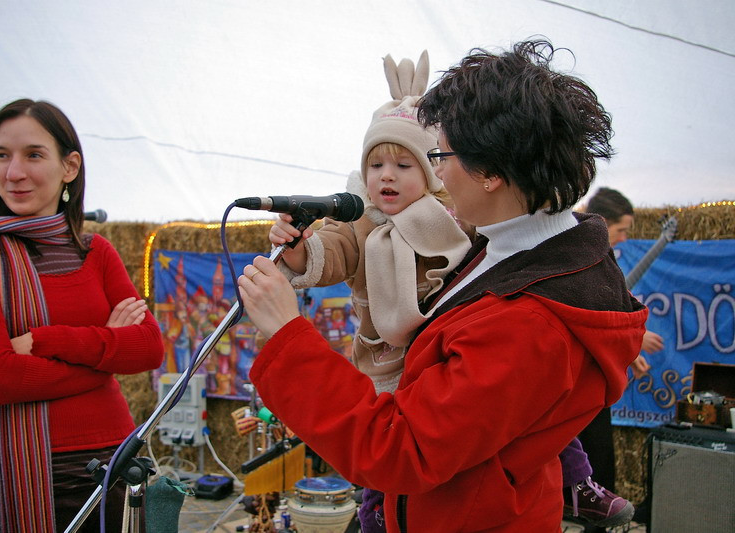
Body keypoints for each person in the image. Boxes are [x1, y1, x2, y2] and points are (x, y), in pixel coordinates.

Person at [238, 39, 648, 532]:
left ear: (491, 171)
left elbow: (402, 449)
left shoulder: (529, 321)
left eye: (441, 155)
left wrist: (288, 336)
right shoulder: (508, 253)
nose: (438, 173)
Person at [0, 99, 164, 532]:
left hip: (112, 466)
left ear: (70, 166)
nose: (14, 172)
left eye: (33, 155)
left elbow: (150, 349)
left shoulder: (96, 250)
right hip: (16, 470)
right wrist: (104, 353)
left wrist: (46, 341)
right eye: (2, 155)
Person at [267, 51, 471, 532]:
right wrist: (299, 249)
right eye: (375, 163)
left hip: (441, 366)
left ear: (430, 171)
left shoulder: (455, 220)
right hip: (382, 363)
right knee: (383, 458)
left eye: (403, 164)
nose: (386, 174)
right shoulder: (360, 222)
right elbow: (333, 252)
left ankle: (577, 480)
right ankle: (375, 512)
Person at [570, 186, 664, 532]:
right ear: (603, 223)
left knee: (600, 462)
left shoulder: (598, 259)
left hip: (593, 381)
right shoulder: (582, 257)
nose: (625, 238)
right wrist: (631, 345)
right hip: (579, 383)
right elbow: (584, 320)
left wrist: (630, 346)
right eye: (622, 229)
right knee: (595, 462)